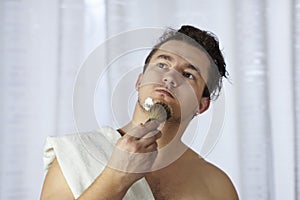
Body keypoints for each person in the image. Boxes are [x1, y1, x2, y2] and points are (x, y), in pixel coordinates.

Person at [40, 25, 239, 200]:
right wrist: (116, 176)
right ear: (139, 81)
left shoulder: (216, 186)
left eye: (188, 74)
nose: (169, 77)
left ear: (201, 105)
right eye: (162, 65)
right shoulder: (75, 155)